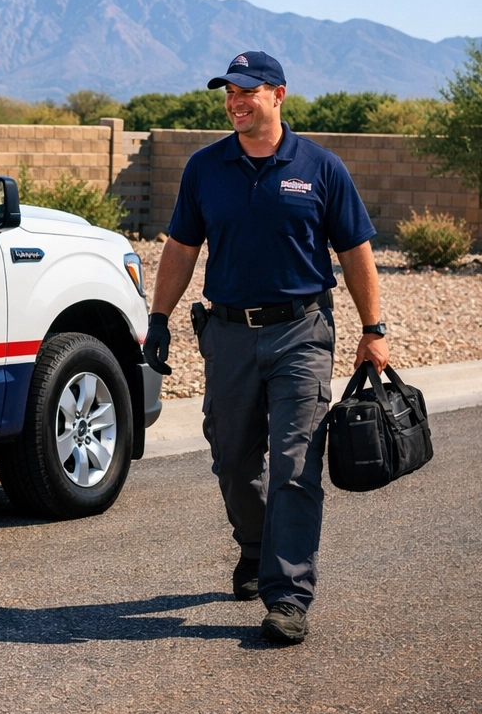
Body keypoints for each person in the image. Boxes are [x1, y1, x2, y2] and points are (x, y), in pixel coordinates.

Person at [142, 51, 389, 645]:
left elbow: (356, 253)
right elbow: (180, 247)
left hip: (302, 331)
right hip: (226, 333)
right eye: (229, 91)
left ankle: (288, 594)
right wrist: (158, 319)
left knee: (295, 463)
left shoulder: (320, 168)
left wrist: (373, 330)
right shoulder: (206, 168)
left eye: (247, 91)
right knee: (231, 458)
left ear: (278, 94)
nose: (235, 101)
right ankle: (256, 548)